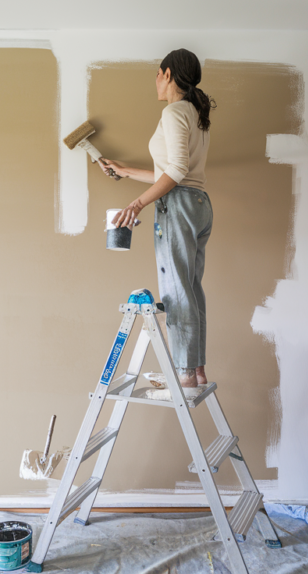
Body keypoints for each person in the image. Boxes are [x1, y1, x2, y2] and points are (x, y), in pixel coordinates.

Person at [101, 48, 215, 399]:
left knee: (177, 291)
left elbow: (176, 172)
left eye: (157, 74)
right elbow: (174, 171)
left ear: (167, 74)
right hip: (197, 204)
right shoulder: (194, 113)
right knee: (191, 289)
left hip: (178, 205)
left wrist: (136, 203)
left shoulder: (173, 111)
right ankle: (194, 371)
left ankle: (182, 377)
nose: (155, 80)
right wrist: (126, 170)